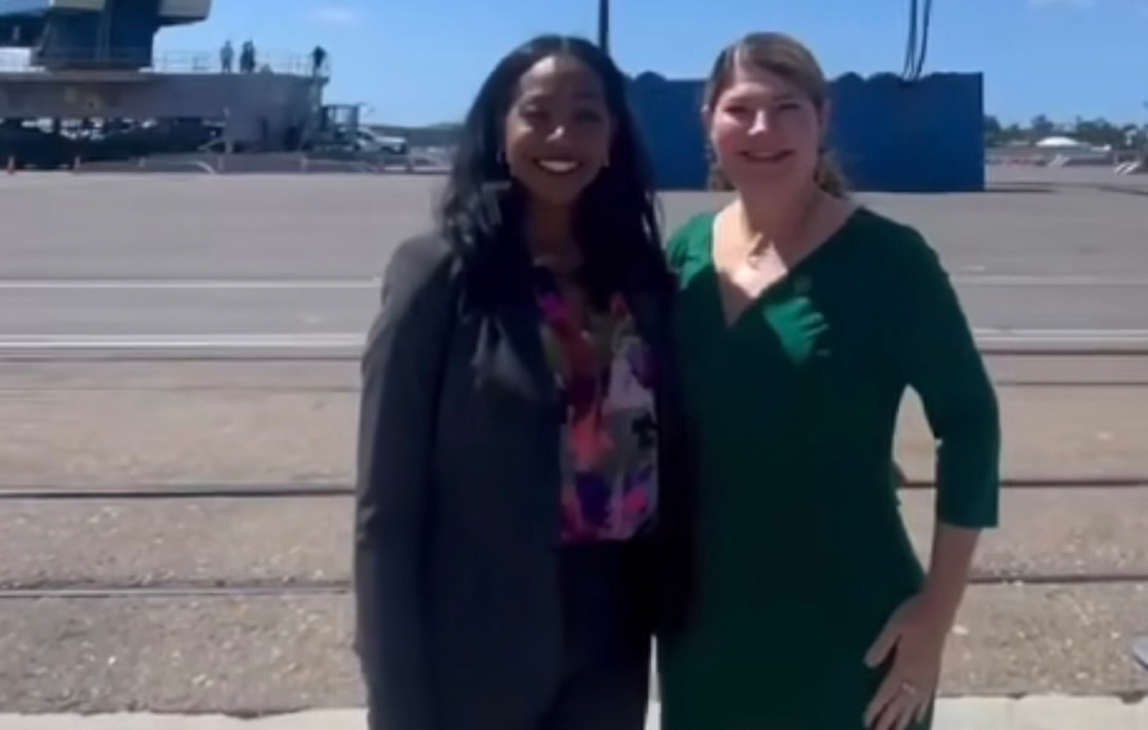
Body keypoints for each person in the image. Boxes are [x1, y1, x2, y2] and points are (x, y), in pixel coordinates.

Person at [658, 32, 1001, 730]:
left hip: (851, 619)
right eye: (741, 109)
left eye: (787, 108)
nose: (763, 129)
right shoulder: (684, 252)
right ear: (708, 121)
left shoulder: (889, 261)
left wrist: (936, 613)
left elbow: (968, 422)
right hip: (704, 619)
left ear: (823, 118)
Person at [354, 34, 694, 730]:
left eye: (587, 115)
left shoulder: (641, 281)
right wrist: (396, 702)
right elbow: (385, 510)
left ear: (615, 138)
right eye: (537, 113)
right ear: (500, 131)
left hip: (614, 637)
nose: (560, 134)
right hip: (477, 643)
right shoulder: (439, 277)